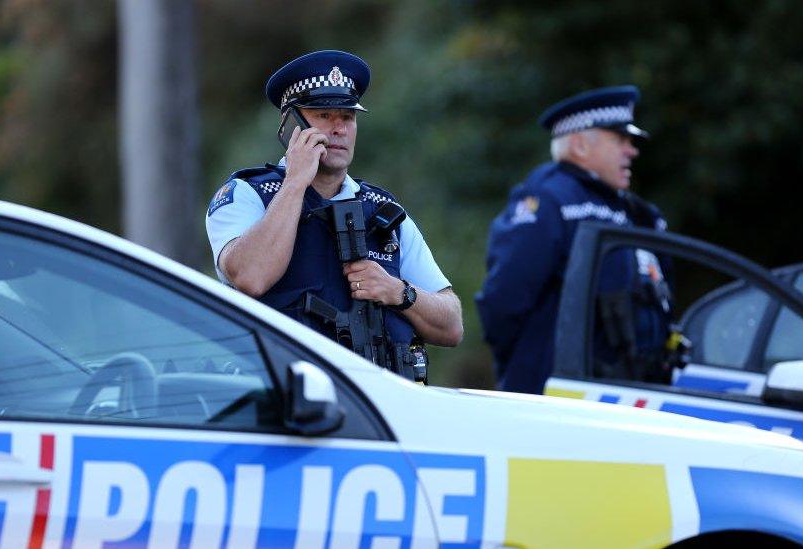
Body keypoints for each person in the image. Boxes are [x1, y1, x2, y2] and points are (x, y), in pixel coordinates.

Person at [205, 50, 463, 379]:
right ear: (291, 126)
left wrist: (399, 292)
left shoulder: (384, 210)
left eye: (348, 117)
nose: (339, 128)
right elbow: (251, 277)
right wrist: (296, 181)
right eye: (324, 115)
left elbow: (451, 325)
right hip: (279, 402)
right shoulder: (247, 194)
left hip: (380, 407)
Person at [476, 85, 673, 394]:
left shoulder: (640, 214)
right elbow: (504, 303)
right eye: (620, 139)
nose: (632, 150)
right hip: (559, 399)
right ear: (580, 145)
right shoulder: (549, 199)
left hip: (631, 397)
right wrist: (527, 368)